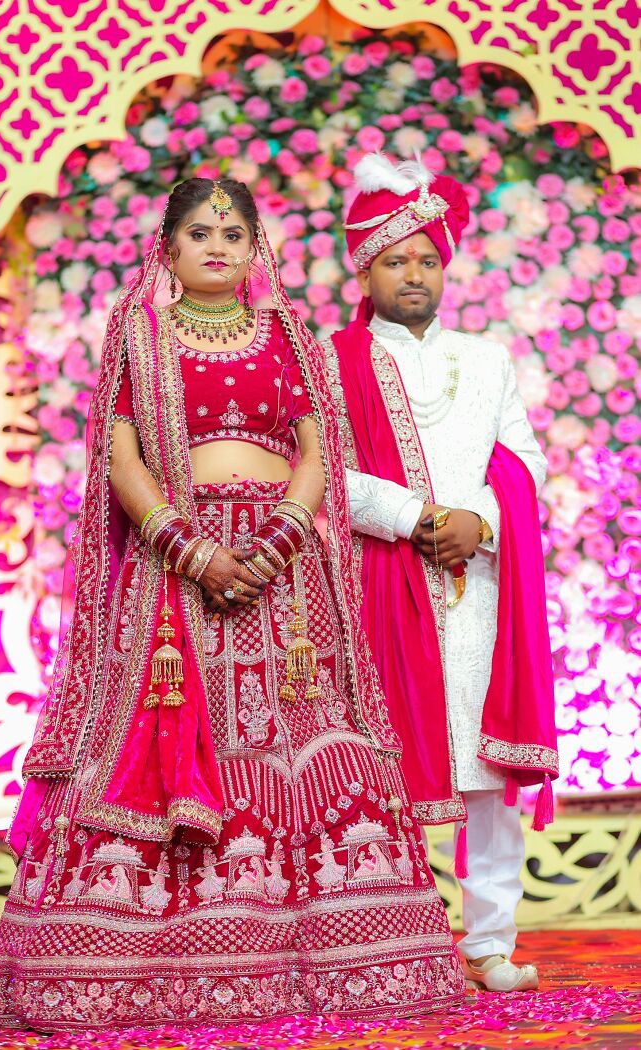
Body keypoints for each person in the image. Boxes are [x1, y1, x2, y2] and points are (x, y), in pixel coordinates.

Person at [0, 177, 464, 1030]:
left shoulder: (289, 335)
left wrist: (277, 537)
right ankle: (142, 966)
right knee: (162, 738)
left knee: (306, 740)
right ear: (166, 248)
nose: (216, 246)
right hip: (175, 571)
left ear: (253, 249)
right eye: (199, 232)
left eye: (233, 234)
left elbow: (316, 448)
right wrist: (188, 547)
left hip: (286, 572)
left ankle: (341, 957)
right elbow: (122, 459)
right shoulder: (141, 333)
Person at [324, 154, 558, 993]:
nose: (413, 273)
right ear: (365, 268)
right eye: (395, 259)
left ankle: (490, 941)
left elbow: (526, 465)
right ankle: (395, 941)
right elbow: (322, 475)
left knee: (487, 776)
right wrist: (416, 520)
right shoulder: (331, 359)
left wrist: (480, 523)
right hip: (379, 588)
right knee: (386, 770)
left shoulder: (488, 358)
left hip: (484, 591)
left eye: (426, 257)